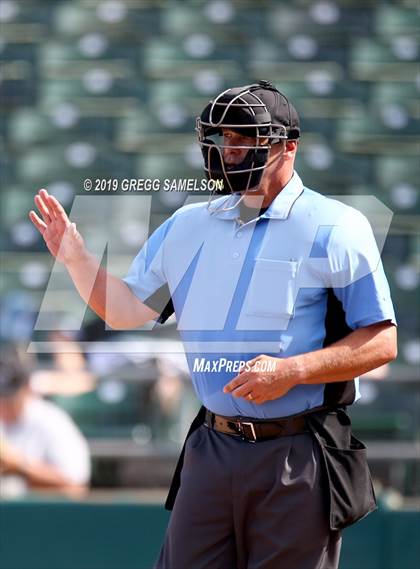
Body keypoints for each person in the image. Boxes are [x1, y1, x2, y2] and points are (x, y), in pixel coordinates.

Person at [29, 80, 397, 568]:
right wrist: (76, 260)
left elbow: (382, 341)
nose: (230, 151)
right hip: (211, 447)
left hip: (297, 453)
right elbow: (124, 311)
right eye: (223, 139)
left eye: (246, 140)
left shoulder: (337, 226)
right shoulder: (186, 225)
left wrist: (293, 370)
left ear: (289, 147)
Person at [0, 346, 91, 497]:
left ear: (27, 389)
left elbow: (76, 488)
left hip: (43, 515)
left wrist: (20, 466)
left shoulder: (51, 421)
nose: (3, 404)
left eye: (9, 399)